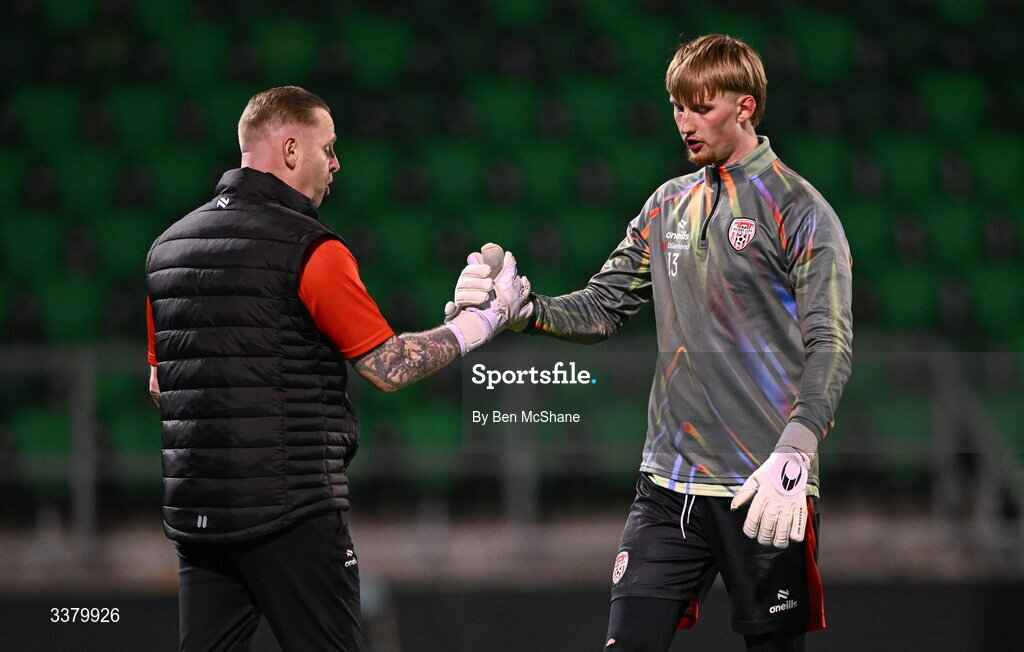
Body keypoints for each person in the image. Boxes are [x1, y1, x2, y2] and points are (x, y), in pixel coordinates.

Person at [454, 34, 852, 651]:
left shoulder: (801, 211)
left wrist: (796, 451)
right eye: (676, 106)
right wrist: (523, 311)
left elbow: (831, 344)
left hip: (765, 485)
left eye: (700, 107)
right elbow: (603, 307)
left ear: (745, 107)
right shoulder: (666, 204)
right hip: (666, 486)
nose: (684, 122)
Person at [144, 86, 528, 652]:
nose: (336, 163)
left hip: (199, 514)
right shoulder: (310, 248)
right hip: (291, 511)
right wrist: (483, 321)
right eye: (329, 149)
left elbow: (163, 386)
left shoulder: (166, 250)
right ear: (292, 150)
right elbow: (389, 367)